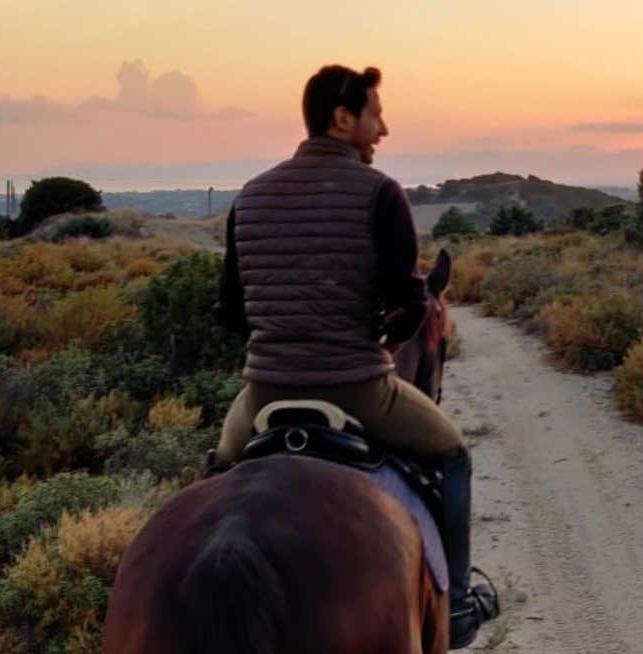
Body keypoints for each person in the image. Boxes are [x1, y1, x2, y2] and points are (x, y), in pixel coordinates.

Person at [209, 64, 497, 648]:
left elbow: (231, 313)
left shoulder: (252, 195)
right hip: (357, 388)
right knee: (454, 455)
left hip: (263, 392)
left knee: (216, 477)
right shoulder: (379, 192)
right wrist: (375, 347)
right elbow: (410, 306)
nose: (382, 129)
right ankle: (460, 603)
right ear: (343, 118)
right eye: (375, 114)